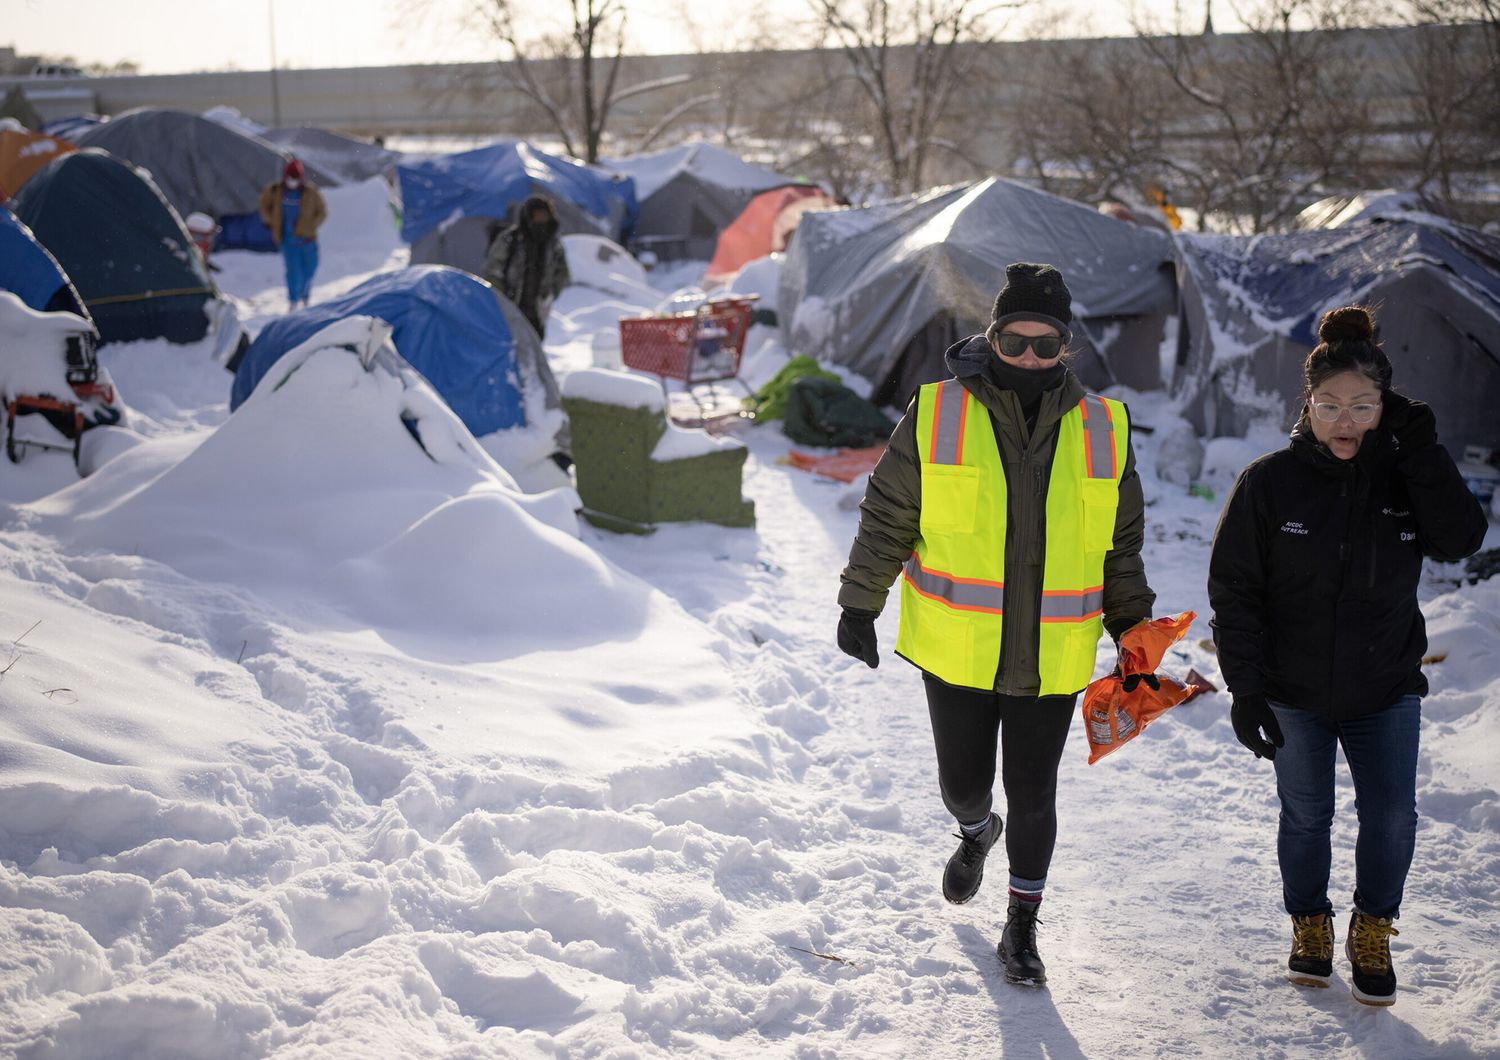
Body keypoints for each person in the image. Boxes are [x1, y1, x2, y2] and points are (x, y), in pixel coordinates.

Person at [837, 262, 1157, 985]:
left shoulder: (1105, 426)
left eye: (1048, 346)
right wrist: (860, 601)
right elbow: (890, 513)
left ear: (1067, 348)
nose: (1031, 358)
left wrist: (1133, 629)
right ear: (993, 337)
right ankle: (977, 831)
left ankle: (1021, 926)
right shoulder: (936, 411)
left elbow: (1121, 545)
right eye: (1016, 341)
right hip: (958, 648)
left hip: (1054, 653)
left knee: (1035, 789)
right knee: (963, 785)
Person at [1208, 305, 1486, 1008]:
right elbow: (1234, 591)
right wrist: (1245, 690)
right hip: (1294, 691)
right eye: (1330, 404)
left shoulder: (1403, 477)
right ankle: (1309, 924)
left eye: (1364, 406)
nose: (1346, 421)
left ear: (1384, 406)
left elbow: (1461, 540)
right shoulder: (1270, 483)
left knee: (1393, 817)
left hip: (1385, 685)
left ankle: (1372, 927)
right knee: (1306, 816)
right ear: (1308, 403)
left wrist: (1421, 454)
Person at [483, 195, 570, 339]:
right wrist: (503, 296)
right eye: (537, 216)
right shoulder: (511, 240)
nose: (541, 221)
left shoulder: (553, 245)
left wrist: (550, 294)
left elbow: (562, 273)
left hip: (538, 311)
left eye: (544, 216)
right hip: (511, 306)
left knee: (534, 345)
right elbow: (492, 270)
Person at [258, 157, 326, 309]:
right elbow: (264, 206)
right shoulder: (276, 191)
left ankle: (305, 295)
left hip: (307, 241)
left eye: (296, 177)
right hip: (289, 242)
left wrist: (312, 226)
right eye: (290, 177)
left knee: (310, 270)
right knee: (293, 274)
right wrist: (271, 221)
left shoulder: (310, 192)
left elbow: (322, 211)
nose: (293, 181)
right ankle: (294, 301)